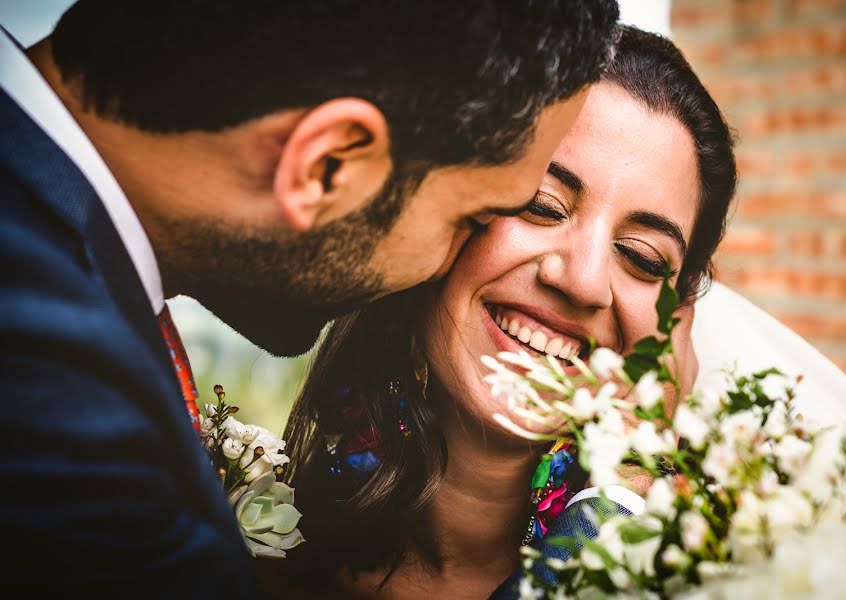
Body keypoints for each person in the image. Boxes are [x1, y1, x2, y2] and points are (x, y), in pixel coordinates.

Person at [0, 0, 621, 593]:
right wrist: (614, 514)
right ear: (326, 165)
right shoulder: (52, 380)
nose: (443, 267)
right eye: (470, 218)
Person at [271, 26, 737, 600]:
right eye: (541, 204)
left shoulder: (728, 579)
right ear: (444, 210)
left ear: (678, 319)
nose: (584, 280)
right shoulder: (246, 539)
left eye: (642, 257)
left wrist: (629, 478)